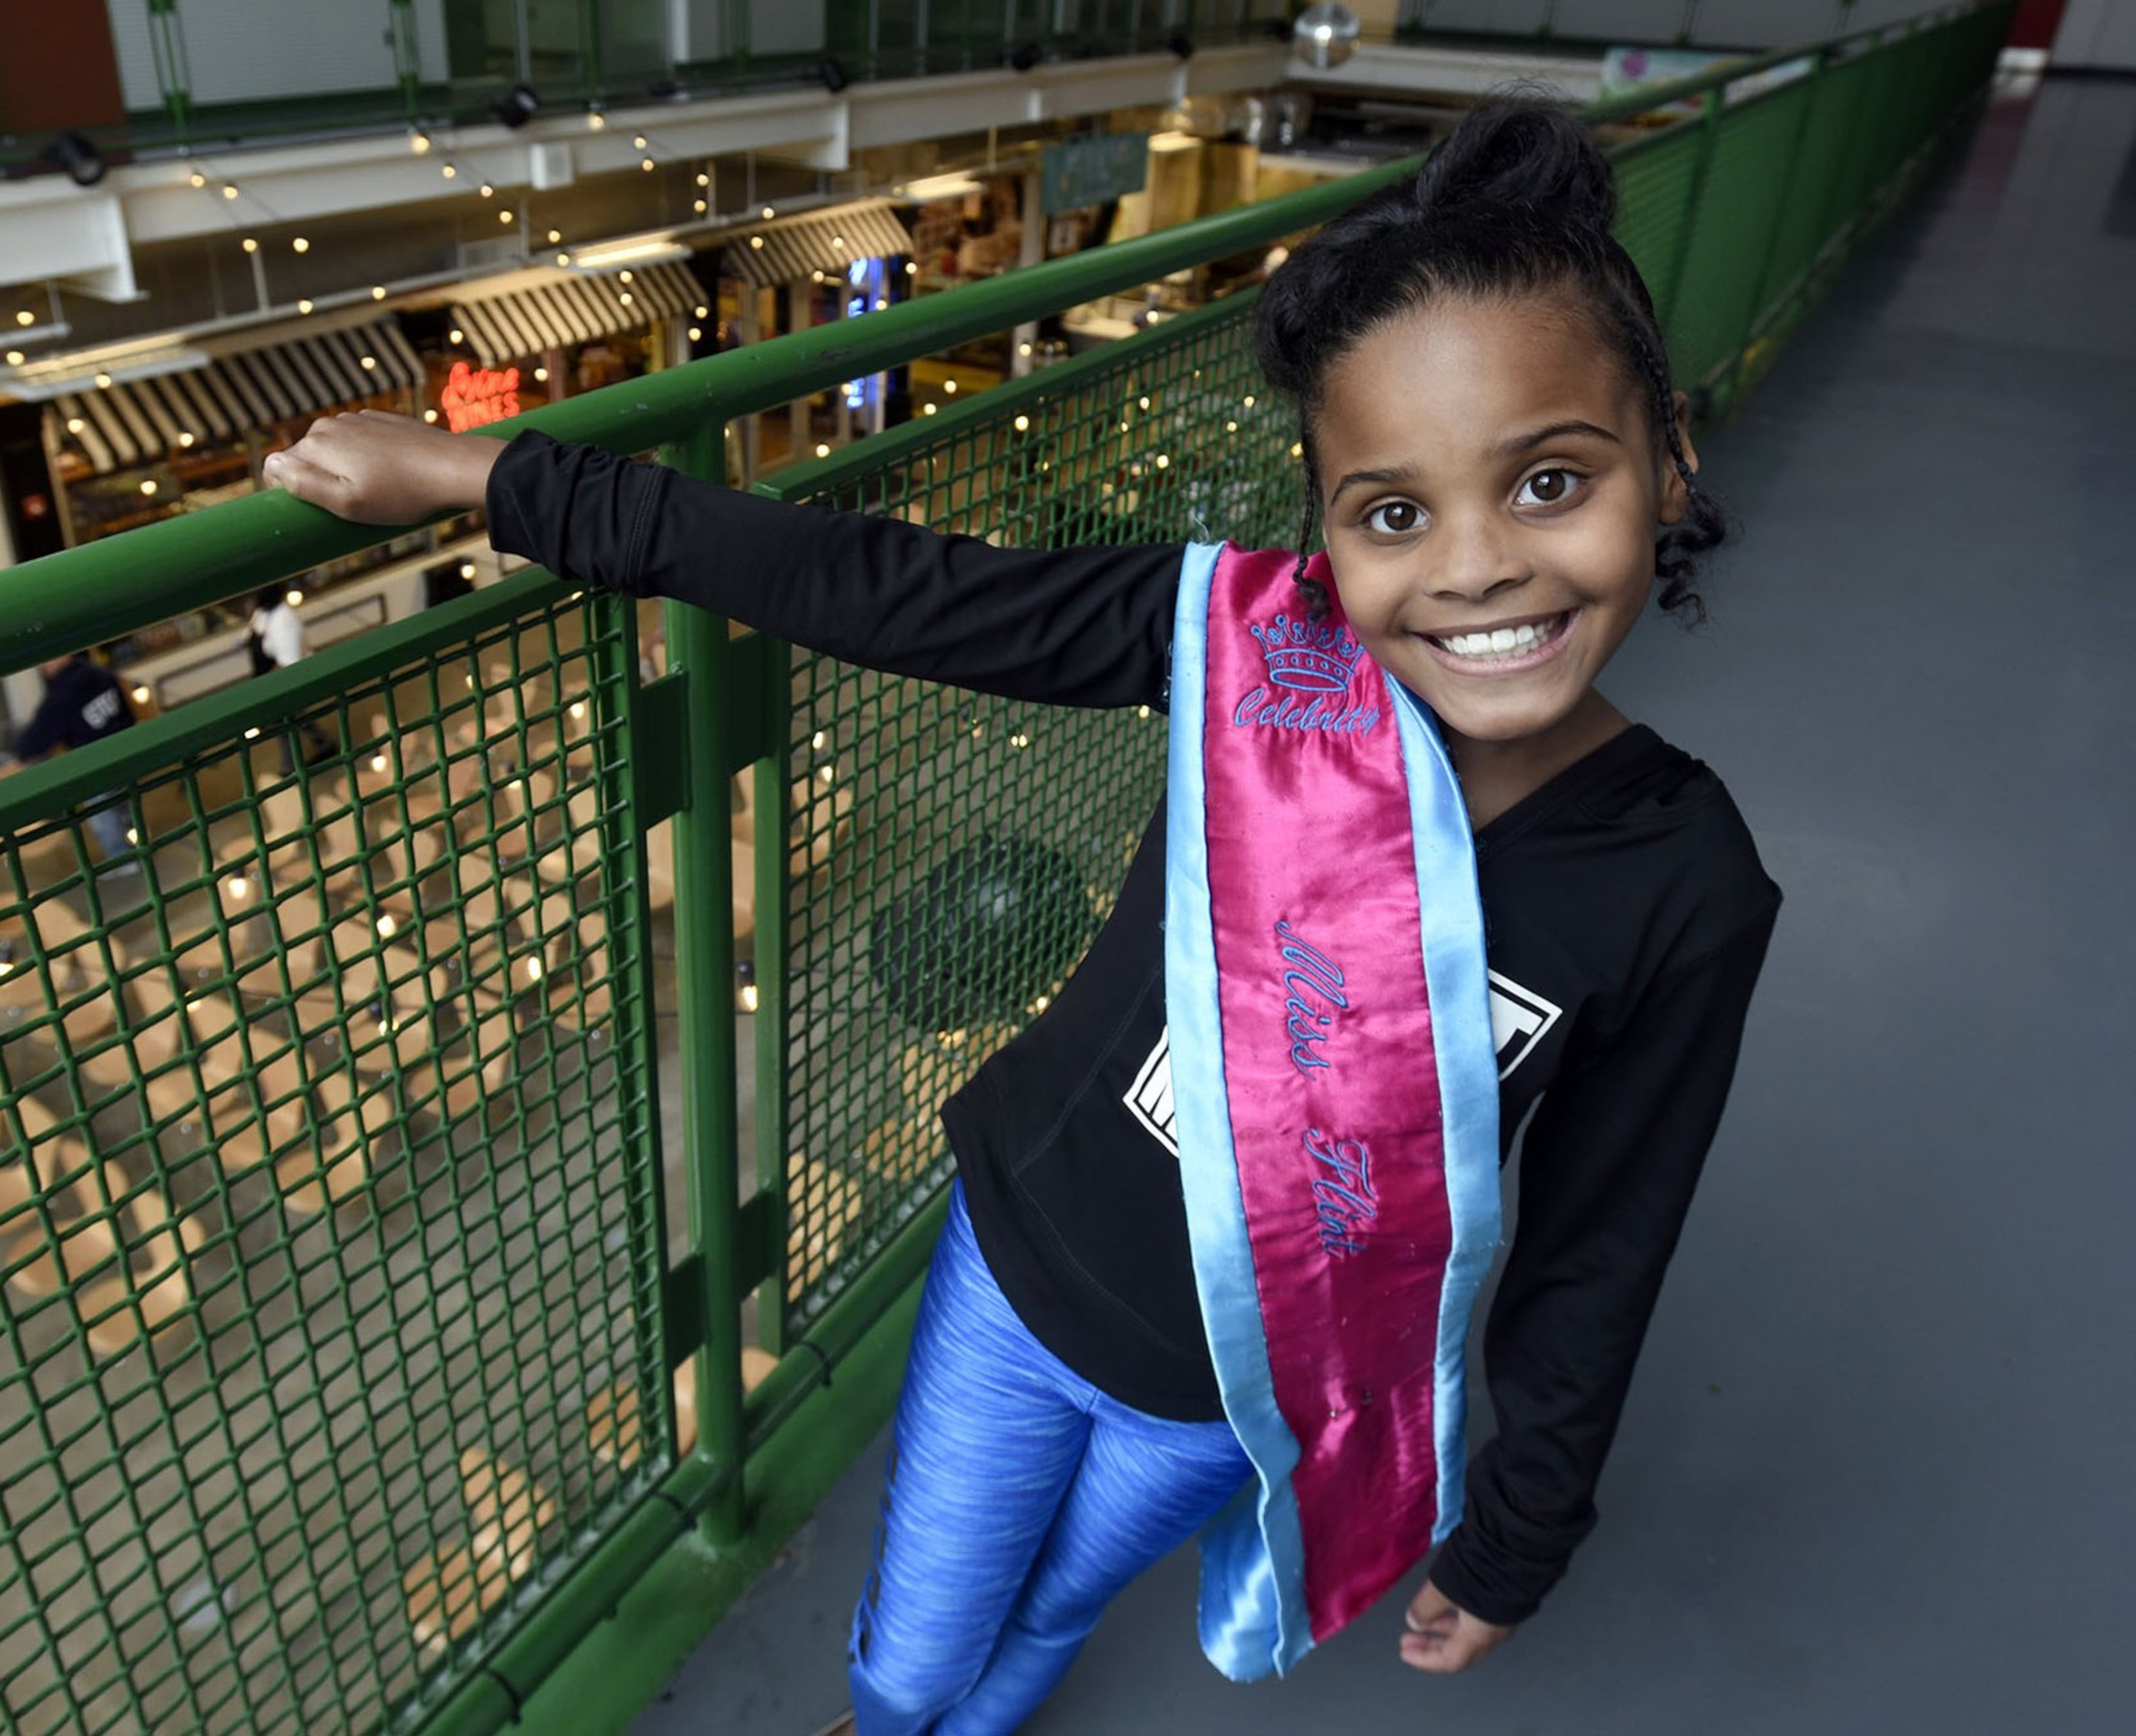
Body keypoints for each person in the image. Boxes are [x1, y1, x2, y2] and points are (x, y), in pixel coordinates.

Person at [266, 100, 1779, 1733]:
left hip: (1233, 1388)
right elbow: (882, 587)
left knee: (1050, 1606)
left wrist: (1513, 1542)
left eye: (1548, 480)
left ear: (1667, 457)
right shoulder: (1243, 652)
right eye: (1391, 513)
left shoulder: (1680, 885)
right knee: (913, 1647)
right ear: (1324, 527)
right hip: (1021, 1270)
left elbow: (1597, 1243)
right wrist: (488, 477)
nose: (1476, 569)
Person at [15, 645, 136, 866]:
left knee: (103, 813)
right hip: (126, 752)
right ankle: (135, 842)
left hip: (94, 767)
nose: (43, 667)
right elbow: (129, 714)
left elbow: (33, 743)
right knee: (124, 803)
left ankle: (122, 860)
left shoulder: (61, 696)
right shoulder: (101, 674)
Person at [247, 585, 335, 767]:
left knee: (284, 723)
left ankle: (290, 766)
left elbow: (290, 664)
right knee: (295, 720)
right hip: (267, 679)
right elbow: (253, 632)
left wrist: (268, 685)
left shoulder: (285, 621)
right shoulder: (262, 613)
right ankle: (323, 744)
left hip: (284, 680)